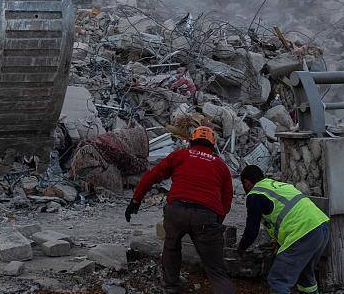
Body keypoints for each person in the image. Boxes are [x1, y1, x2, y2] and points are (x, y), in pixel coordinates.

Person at [125, 126, 233, 294]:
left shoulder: (180, 155)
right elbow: (226, 201)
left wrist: (136, 200)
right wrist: (216, 223)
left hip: (176, 211)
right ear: (213, 145)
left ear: (191, 141)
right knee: (216, 269)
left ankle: (170, 286)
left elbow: (151, 176)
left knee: (171, 246)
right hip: (206, 215)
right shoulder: (221, 166)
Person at [238, 165, 330, 294]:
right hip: (321, 226)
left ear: (247, 182)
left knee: (278, 281)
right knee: (305, 275)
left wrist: (241, 248)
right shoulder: (276, 185)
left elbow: (251, 230)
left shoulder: (255, 194)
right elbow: (285, 212)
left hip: (303, 232)